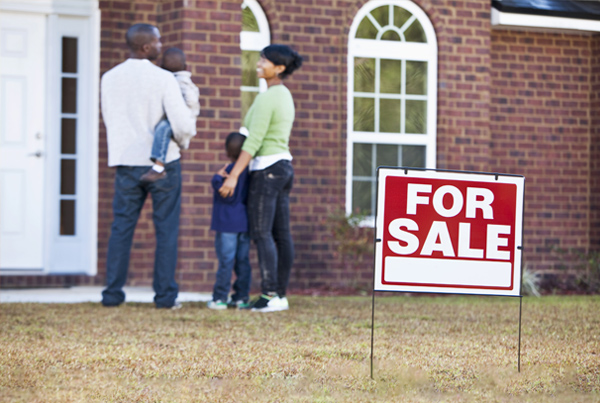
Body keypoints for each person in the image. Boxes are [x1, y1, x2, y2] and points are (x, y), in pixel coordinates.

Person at [100, 23, 197, 309]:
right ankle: (165, 297)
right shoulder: (163, 78)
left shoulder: (109, 77)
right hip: (163, 162)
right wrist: (183, 140)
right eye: (157, 42)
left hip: (126, 162)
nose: (160, 46)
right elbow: (181, 123)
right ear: (145, 46)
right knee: (166, 229)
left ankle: (112, 295)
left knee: (121, 229)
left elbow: (110, 118)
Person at [219, 44, 303, 313]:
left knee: (262, 232)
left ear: (279, 68)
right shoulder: (281, 95)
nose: (259, 63)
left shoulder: (269, 98)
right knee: (281, 234)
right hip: (282, 167)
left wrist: (233, 175)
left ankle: (270, 294)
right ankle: (278, 294)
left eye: (265, 60)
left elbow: (254, 141)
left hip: (267, 170)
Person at [140, 47, 200, 182]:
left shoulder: (179, 81)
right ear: (185, 66)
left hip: (179, 117)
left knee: (163, 128)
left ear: (161, 66)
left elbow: (191, 99)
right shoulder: (178, 79)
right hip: (174, 116)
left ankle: (158, 167)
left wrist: (187, 109)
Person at [208, 132, 252, 310]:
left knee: (226, 260)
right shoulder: (248, 172)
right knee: (243, 261)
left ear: (227, 151)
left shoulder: (228, 172)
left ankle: (220, 298)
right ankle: (241, 297)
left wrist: (216, 178)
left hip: (226, 224)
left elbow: (223, 192)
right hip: (244, 222)